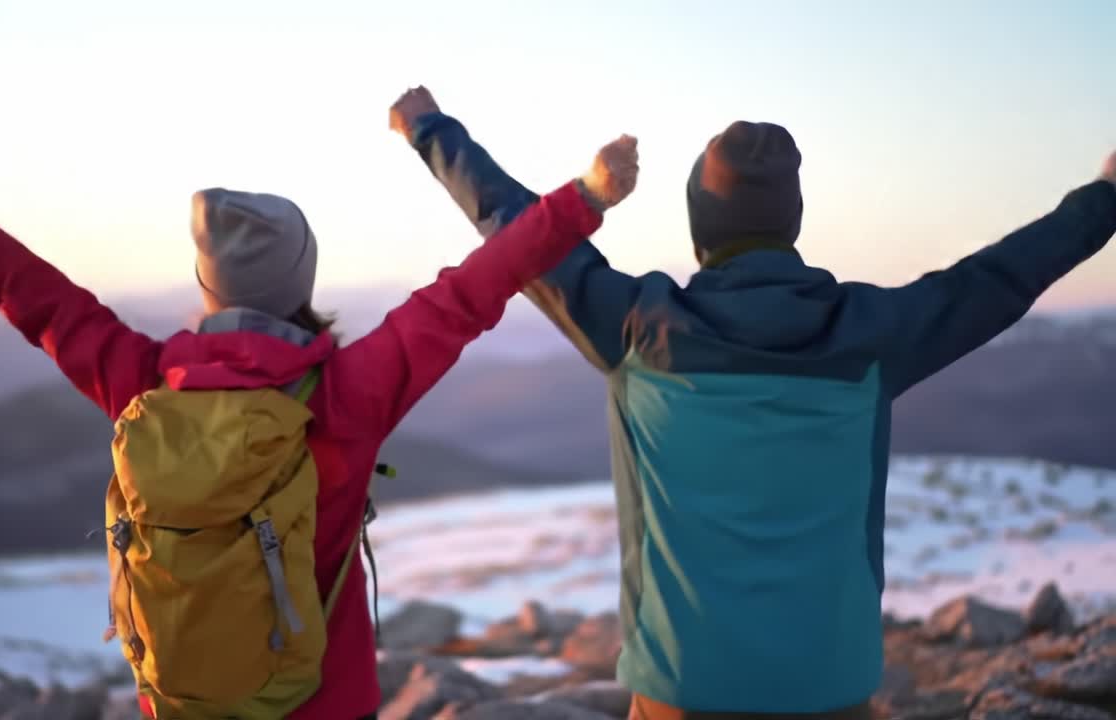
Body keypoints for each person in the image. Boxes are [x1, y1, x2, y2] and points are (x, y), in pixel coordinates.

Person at [0, 113, 639, 720]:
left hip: (183, 701)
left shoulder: (142, 382)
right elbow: (470, 291)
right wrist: (583, 199)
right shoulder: (346, 394)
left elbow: (24, 287)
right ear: (302, 283)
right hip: (325, 699)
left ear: (206, 284)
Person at [389, 87, 1116, 720]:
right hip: (829, 691)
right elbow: (999, 277)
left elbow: (517, 229)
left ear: (701, 226)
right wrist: (1104, 199)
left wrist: (432, 131)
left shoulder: (637, 330)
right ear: (790, 222)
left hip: (681, 690)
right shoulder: (872, 336)